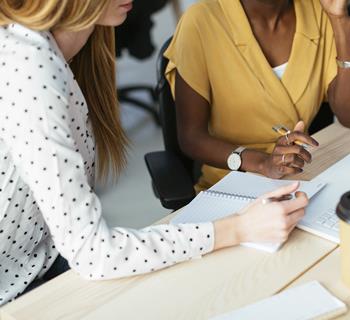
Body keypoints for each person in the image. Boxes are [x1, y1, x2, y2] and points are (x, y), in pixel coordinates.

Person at [0, 0, 308, 305]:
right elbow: (95, 254)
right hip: (14, 290)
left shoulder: (64, 51)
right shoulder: (29, 66)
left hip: (42, 261)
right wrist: (239, 228)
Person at [165, 0, 350, 191]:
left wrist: (340, 20)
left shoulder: (317, 9)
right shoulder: (200, 20)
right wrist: (263, 163)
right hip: (231, 186)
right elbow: (191, 137)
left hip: (302, 178)